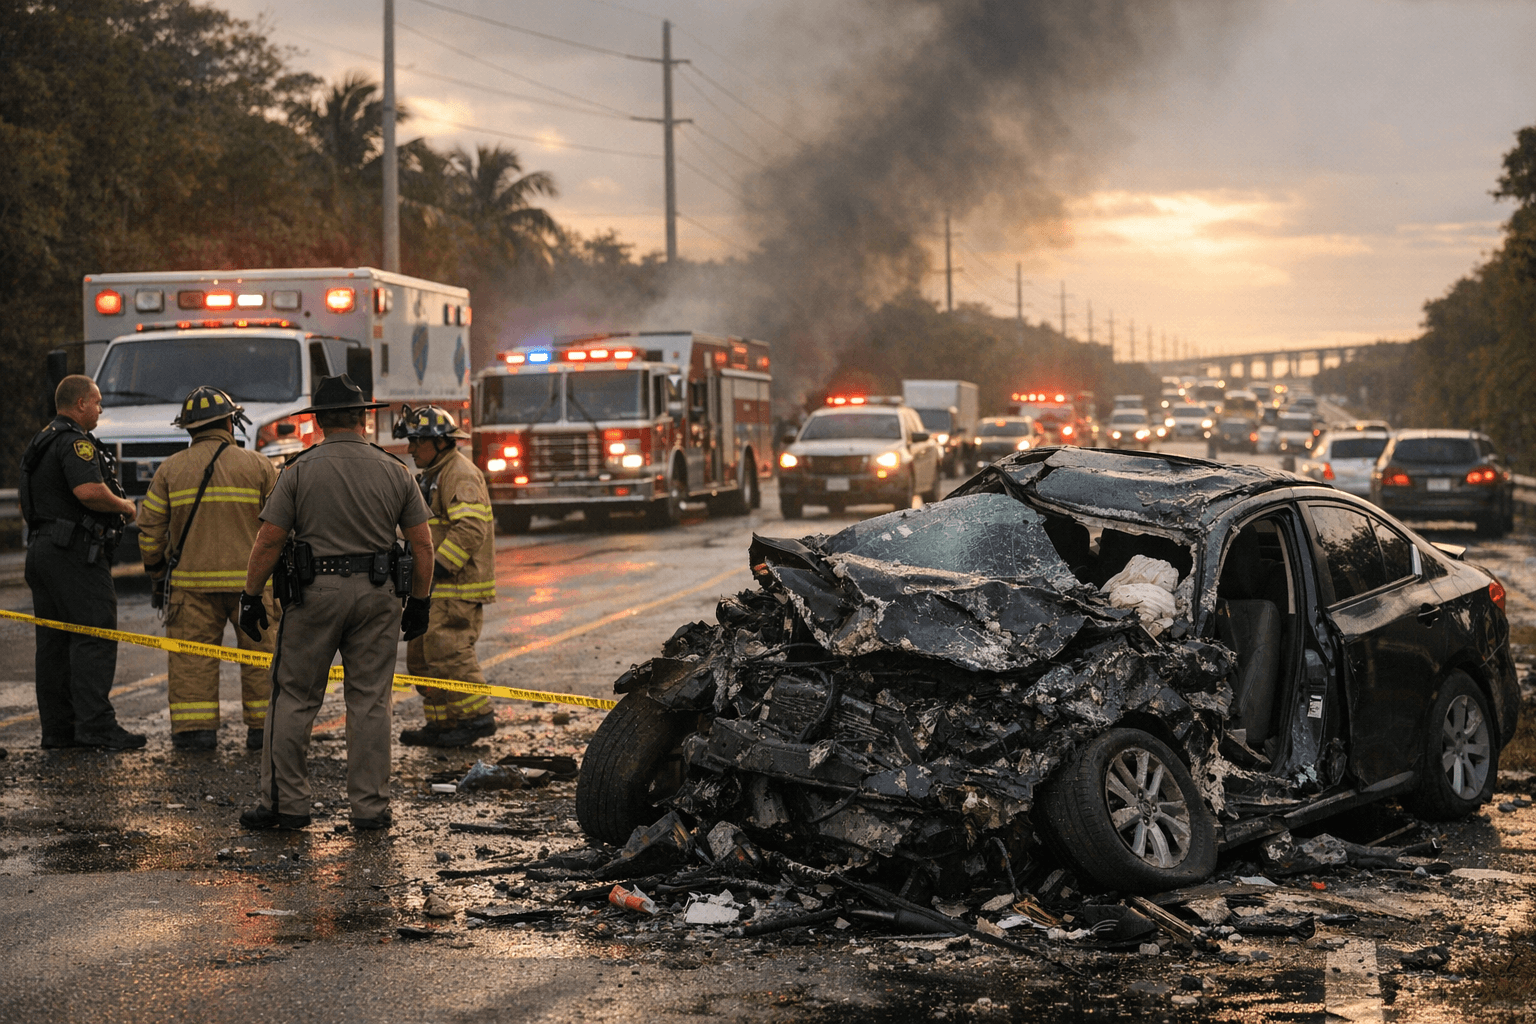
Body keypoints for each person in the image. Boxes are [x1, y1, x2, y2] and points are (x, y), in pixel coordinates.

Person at [236, 375, 433, 831]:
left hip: (314, 595)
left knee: (294, 697)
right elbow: (422, 544)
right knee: (370, 701)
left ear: (320, 421)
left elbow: (269, 540)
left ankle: (287, 805)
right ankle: (370, 809)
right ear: (363, 417)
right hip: (380, 595)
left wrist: (251, 594)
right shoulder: (395, 470)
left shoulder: (298, 470)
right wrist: (420, 602)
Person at [138, 387, 280, 752]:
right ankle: (264, 730)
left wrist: (157, 572)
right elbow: (283, 526)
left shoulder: (170, 470)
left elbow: (149, 531)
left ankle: (195, 732)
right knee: (261, 658)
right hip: (252, 587)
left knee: (191, 660)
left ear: (189, 428)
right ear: (231, 422)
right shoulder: (260, 467)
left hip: (191, 588)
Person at [19, 374, 143, 750]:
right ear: (80, 404)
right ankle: (96, 726)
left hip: (42, 549)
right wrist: (126, 507)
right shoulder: (76, 443)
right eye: (98, 402)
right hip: (73, 552)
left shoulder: (42, 440)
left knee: (54, 642)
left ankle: (59, 730)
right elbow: (88, 491)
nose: (101, 409)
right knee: (95, 634)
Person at [393, 406, 499, 747]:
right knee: (422, 658)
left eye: (417, 441)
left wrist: (437, 567)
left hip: (455, 586)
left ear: (440, 442)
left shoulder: (459, 474)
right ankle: (441, 723)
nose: (410, 449)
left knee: (449, 652)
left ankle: (476, 717)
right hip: (434, 588)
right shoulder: (434, 474)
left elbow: (470, 528)